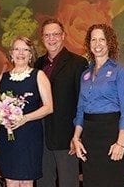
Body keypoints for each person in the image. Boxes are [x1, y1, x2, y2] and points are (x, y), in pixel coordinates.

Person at [71, 23, 124, 187]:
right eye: (93, 39)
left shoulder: (120, 71)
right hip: (89, 136)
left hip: (111, 133)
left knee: (113, 182)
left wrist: (121, 142)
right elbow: (80, 110)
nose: (97, 44)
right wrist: (76, 138)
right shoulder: (85, 74)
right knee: (92, 181)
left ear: (109, 43)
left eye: (102, 40)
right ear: (89, 43)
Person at [35, 18, 88, 187]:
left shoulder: (78, 63)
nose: (51, 38)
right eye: (47, 35)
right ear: (42, 39)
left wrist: (77, 136)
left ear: (63, 36)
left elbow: (82, 101)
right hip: (41, 136)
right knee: (43, 182)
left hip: (67, 137)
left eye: (55, 34)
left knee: (68, 183)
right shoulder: (37, 64)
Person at [0, 36, 53, 187]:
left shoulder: (38, 75)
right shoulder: (3, 77)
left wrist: (25, 118)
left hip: (29, 136)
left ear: (31, 54)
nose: (20, 53)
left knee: (26, 181)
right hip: (7, 137)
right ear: (11, 53)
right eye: (17, 49)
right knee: (11, 181)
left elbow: (49, 107)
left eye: (25, 49)